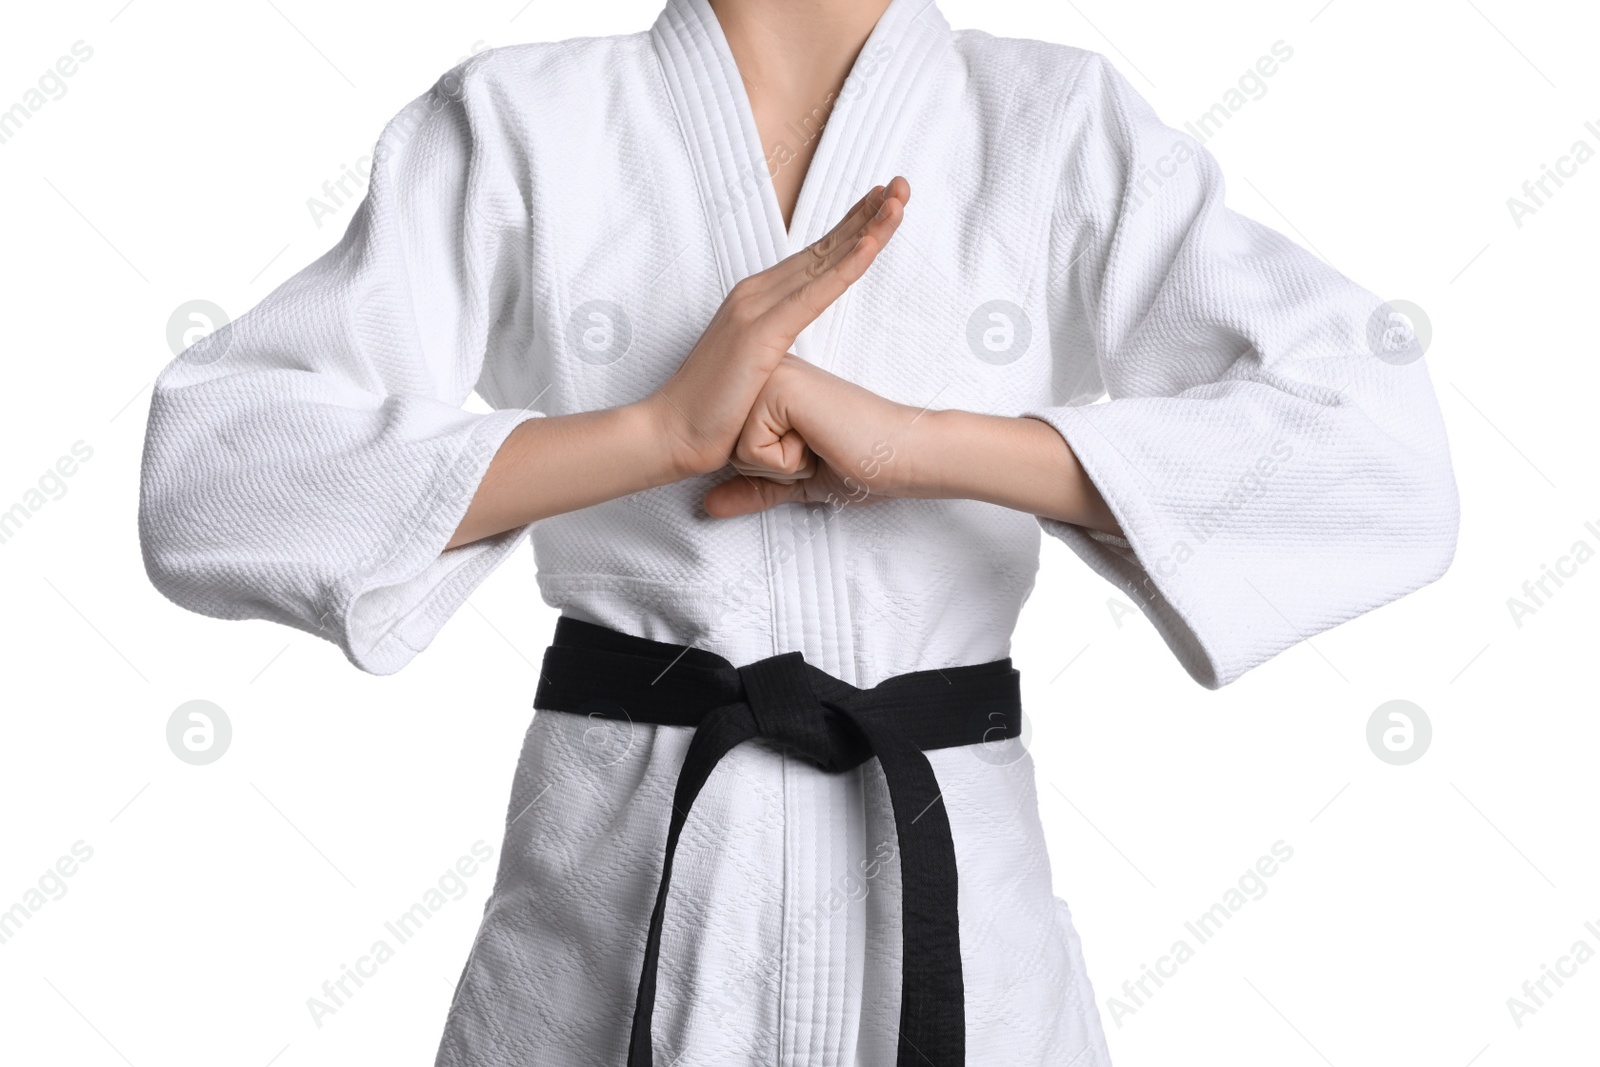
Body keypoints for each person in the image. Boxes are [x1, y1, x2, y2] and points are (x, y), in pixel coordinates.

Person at [136, 0, 1460, 1062]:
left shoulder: (1053, 123)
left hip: (957, 926)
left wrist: (933, 447)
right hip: (614, 907)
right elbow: (215, 472)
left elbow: (1376, 448)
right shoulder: (519, 121)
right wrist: (654, 435)